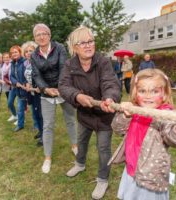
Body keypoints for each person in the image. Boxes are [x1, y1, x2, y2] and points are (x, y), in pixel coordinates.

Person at [109, 69, 176, 200]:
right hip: (131, 171)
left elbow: (172, 134)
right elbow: (117, 128)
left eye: (154, 91)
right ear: (135, 92)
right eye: (142, 91)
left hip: (150, 178)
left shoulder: (164, 115)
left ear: (164, 93)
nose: (147, 96)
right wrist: (125, 115)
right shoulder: (135, 110)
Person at [58, 26, 121, 200]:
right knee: (81, 142)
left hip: (104, 116)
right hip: (84, 115)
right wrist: (77, 96)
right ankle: (80, 164)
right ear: (74, 47)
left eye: (90, 41)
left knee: (103, 149)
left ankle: (102, 179)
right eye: (82, 42)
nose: (88, 45)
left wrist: (110, 98)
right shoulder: (69, 65)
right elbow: (63, 86)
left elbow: (111, 83)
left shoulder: (103, 62)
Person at [31, 23, 77, 174]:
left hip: (63, 89)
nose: (42, 36)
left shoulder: (59, 48)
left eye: (44, 33)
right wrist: (45, 89)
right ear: (35, 38)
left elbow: (64, 67)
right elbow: (36, 75)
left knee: (70, 119)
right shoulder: (33, 55)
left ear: (49, 35)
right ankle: (47, 157)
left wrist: (60, 87)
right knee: (48, 126)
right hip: (46, 94)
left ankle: (75, 146)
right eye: (38, 34)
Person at [22, 41, 43, 147]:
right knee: (35, 114)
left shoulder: (39, 62)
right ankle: (40, 131)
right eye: (26, 51)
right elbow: (27, 77)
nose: (28, 53)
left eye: (31, 50)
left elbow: (42, 76)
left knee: (41, 114)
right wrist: (27, 84)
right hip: (32, 92)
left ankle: (44, 137)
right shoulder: (27, 64)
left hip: (39, 92)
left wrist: (40, 86)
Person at [10, 45, 27, 132]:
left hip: (27, 89)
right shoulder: (13, 63)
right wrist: (16, 83)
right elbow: (11, 76)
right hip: (19, 90)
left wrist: (23, 83)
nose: (14, 54)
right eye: (12, 53)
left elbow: (27, 74)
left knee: (35, 109)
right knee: (20, 109)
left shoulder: (25, 62)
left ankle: (37, 126)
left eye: (16, 52)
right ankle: (20, 125)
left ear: (20, 52)